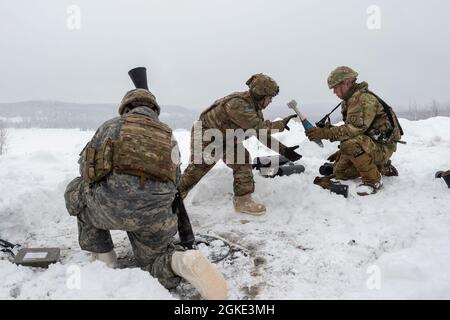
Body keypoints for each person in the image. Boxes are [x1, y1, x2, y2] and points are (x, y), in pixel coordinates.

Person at [64, 67, 227, 300]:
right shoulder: (168, 135)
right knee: (155, 262)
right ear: (154, 110)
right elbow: (175, 183)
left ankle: (104, 259)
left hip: (109, 210)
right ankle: (183, 262)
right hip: (155, 217)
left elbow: (87, 171)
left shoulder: (111, 126)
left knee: (77, 190)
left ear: (125, 107)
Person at [179, 73, 301, 215]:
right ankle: (171, 199)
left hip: (228, 137)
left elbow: (261, 134)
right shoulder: (238, 105)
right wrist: (280, 124)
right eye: (269, 98)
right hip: (207, 136)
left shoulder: (254, 107)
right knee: (196, 171)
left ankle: (243, 201)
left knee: (242, 160)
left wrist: (285, 151)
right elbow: (260, 128)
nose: (271, 102)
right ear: (260, 95)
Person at [306, 66, 403, 196]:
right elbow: (354, 129)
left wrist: (325, 133)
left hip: (383, 147)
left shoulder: (363, 100)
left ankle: (373, 181)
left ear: (346, 82)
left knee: (350, 144)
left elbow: (353, 130)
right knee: (341, 173)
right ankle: (382, 166)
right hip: (372, 143)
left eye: (335, 87)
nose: (334, 92)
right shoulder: (350, 101)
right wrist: (342, 151)